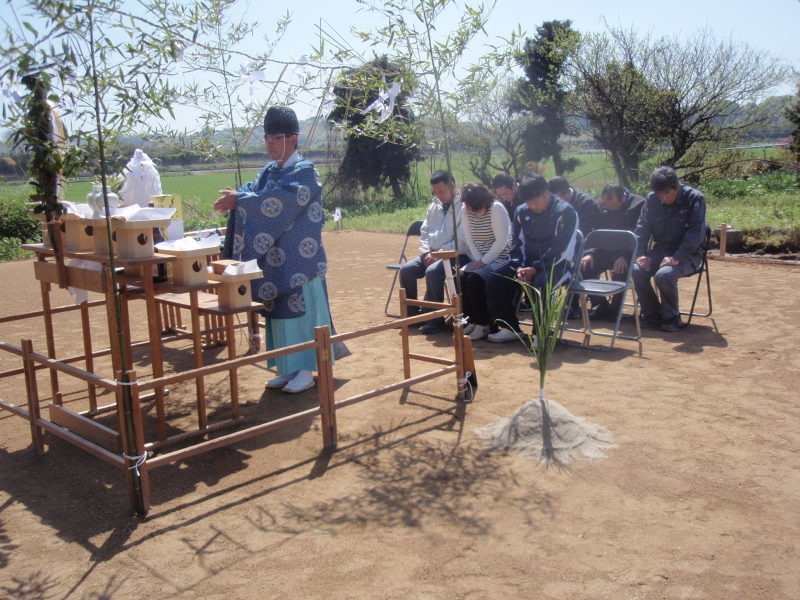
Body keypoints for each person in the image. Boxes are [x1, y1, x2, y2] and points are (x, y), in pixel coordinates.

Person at [213, 106, 347, 394]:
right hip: (274, 262)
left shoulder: (305, 173)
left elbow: (280, 201)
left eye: (276, 137)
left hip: (302, 261)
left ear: (293, 139)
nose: (270, 143)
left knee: (303, 316)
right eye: (267, 138)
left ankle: (306, 370)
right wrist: (237, 196)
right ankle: (287, 368)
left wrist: (243, 201)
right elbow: (255, 191)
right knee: (279, 315)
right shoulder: (267, 172)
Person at [501, 174, 579, 343]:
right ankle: (509, 327)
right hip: (528, 265)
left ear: (546, 193)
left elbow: (561, 249)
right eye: (528, 203)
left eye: (535, 202)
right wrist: (519, 267)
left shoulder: (566, 212)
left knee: (542, 283)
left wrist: (535, 268)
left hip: (559, 266)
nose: (532, 207)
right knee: (497, 277)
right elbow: (516, 243)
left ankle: (540, 333)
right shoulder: (521, 211)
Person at [632, 166, 706, 332]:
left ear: (676, 187)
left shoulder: (695, 199)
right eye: (659, 194)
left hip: (689, 254)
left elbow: (695, 234)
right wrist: (641, 254)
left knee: (664, 275)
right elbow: (642, 228)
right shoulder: (652, 199)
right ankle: (653, 314)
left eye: (666, 193)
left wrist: (677, 257)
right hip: (660, 251)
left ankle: (672, 316)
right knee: (636, 270)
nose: (663, 198)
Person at [399, 170, 466, 334]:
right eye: (435, 192)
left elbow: (462, 239)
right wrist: (425, 252)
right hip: (430, 254)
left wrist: (439, 254)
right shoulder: (433, 206)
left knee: (433, 272)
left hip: (455, 255)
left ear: (453, 186)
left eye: (441, 191)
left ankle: (435, 319)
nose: (439, 195)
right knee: (406, 270)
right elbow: (425, 233)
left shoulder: (463, 207)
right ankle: (413, 316)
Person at [457, 183, 514, 341]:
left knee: (475, 279)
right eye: (467, 206)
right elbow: (469, 238)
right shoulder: (465, 210)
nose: (470, 210)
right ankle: (472, 320)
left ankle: (484, 324)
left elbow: (502, 241)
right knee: (461, 275)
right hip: (479, 258)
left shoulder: (496, 208)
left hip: (501, 257)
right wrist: (478, 260)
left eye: (474, 207)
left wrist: (485, 261)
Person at [580, 183, 645, 320]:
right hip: (602, 251)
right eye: (605, 204)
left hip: (626, 253)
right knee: (584, 267)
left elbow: (638, 234)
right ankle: (601, 305)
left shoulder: (638, 205)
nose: (608, 208)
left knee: (622, 269)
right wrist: (589, 252)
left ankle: (615, 311)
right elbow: (591, 231)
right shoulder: (597, 205)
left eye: (613, 205)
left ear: (623, 199)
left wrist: (624, 256)